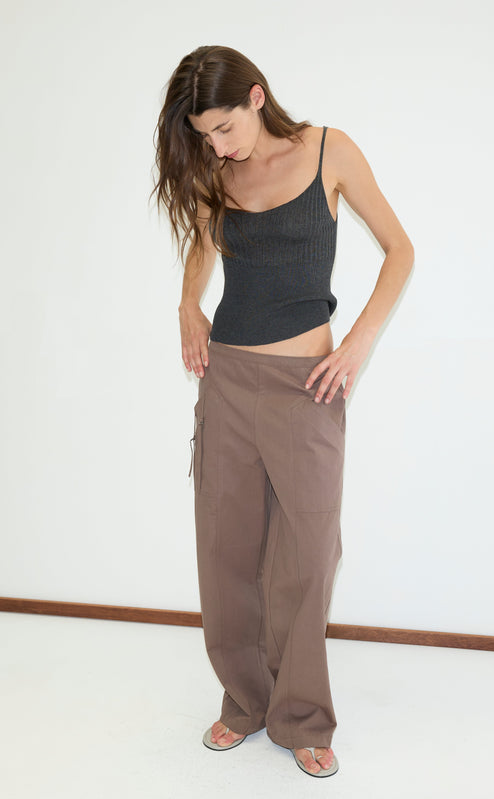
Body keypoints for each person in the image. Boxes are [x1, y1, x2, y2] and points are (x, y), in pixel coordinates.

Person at [152, 44, 414, 778]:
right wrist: (187, 305)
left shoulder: (330, 150)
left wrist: (356, 344)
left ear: (257, 98)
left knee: (306, 554)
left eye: (225, 127)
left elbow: (399, 250)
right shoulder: (214, 171)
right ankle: (243, 701)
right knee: (226, 550)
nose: (218, 145)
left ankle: (299, 715)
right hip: (229, 381)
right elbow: (203, 242)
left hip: (309, 386)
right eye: (205, 135)